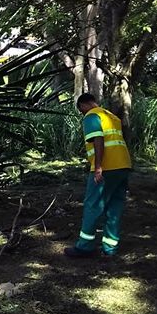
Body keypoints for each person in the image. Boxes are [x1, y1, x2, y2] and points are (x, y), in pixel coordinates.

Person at [64, 93, 132, 258]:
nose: (82, 113)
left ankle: (85, 246)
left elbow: (98, 140)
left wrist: (98, 167)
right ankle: (110, 248)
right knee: (115, 206)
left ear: (84, 105)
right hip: (123, 165)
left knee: (93, 204)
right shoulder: (111, 116)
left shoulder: (91, 116)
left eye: (81, 110)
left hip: (107, 167)